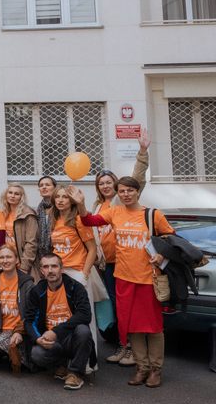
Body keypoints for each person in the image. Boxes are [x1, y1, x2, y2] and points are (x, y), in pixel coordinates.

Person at [76, 178, 174, 388]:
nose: (126, 194)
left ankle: (156, 370)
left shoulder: (153, 214)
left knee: (153, 327)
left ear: (138, 192)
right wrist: (81, 203)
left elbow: (171, 239)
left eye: (130, 190)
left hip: (148, 279)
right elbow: (89, 221)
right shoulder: (115, 212)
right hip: (123, 278)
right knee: (132, 326)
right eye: (122, 191)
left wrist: (161, 255)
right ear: (117, 194)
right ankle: (142, 368)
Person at [92, 129, 150, 364]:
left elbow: (137, 178)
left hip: (125, 262)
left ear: (116, 185)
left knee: (128, 306)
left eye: (109, 183)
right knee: (115, 306)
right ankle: (123, 345)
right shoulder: (97, 206)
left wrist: (142, 152)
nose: (106, 186)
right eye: (101, 183)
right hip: (107, 265)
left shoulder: (119, 200)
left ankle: (133, 350)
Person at [24, 253, 94, 391]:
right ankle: (62, 363)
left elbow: (85, 315)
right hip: (51, 341)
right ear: (41, 270)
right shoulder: (37, 291)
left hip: (72, 338)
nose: (50, 270)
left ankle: (76, 373)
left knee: (83, 330)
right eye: (46, 267)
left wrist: (56, 331)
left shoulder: (75, 287)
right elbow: (29, 321)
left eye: (54, 266)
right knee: (37, 353)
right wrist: (38, 339)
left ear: (62, 269)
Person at [48, 185, 99, 359]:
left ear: (72, 201)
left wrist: (84, 274)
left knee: (85, 318)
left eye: (65, 197)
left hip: (77, 272)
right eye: (58, 197)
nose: (61, 200)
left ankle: (89, 362)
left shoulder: (79, 220)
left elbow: (92, 249)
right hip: (60, 275)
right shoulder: (54, 220)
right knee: (65, 317)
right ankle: (69, 359)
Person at [0, 245, 35, 373]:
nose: (5, 260)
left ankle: (11, 353)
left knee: (0, 348)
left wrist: (20, 331)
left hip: (19, 332)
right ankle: (5, 353)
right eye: (1, 257)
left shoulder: (27, 283)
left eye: (9, 257)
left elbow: (31, 312)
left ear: (16, 260)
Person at [0, 184, 40, 282]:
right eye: (10, 193)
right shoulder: (3, 214)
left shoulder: (28, 215)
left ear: (21, 197)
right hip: (6, 261)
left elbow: (31, 243)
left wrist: (24, 267)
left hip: (21, 263)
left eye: (16, 194)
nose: (12, 196)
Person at [36, 176, 58, 255]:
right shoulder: (37, 210)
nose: (44, 187)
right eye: (41, 185)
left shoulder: (60, 207)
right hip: (40, 253)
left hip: (59, 249)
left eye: (47, 185)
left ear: (55, 188)